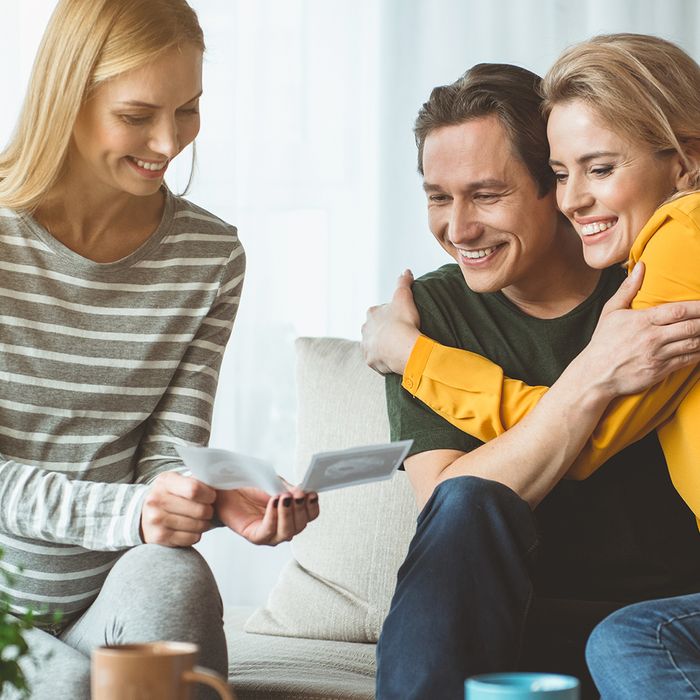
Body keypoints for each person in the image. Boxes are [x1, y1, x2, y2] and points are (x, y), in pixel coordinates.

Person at [0, 1, 318, 698]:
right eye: (137, 116)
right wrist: (132, 513)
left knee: (174, 575)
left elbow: (164, 456)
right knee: (66, 685)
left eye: (188, 110)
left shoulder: (209, 255)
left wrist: (200, 497)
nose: (169, 141)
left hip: (106, 595)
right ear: (68, 98)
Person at [362, 60, 700, 700]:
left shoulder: (650, 270)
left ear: (552, 182)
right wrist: (596, 374)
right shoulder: (432, 315)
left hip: (665, 624)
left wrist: (413, 357)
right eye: (439, 196)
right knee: (468, 497)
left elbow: (590, 446)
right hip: (516, 626)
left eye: (487, 195)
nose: (458, 230)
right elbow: (452, 504)